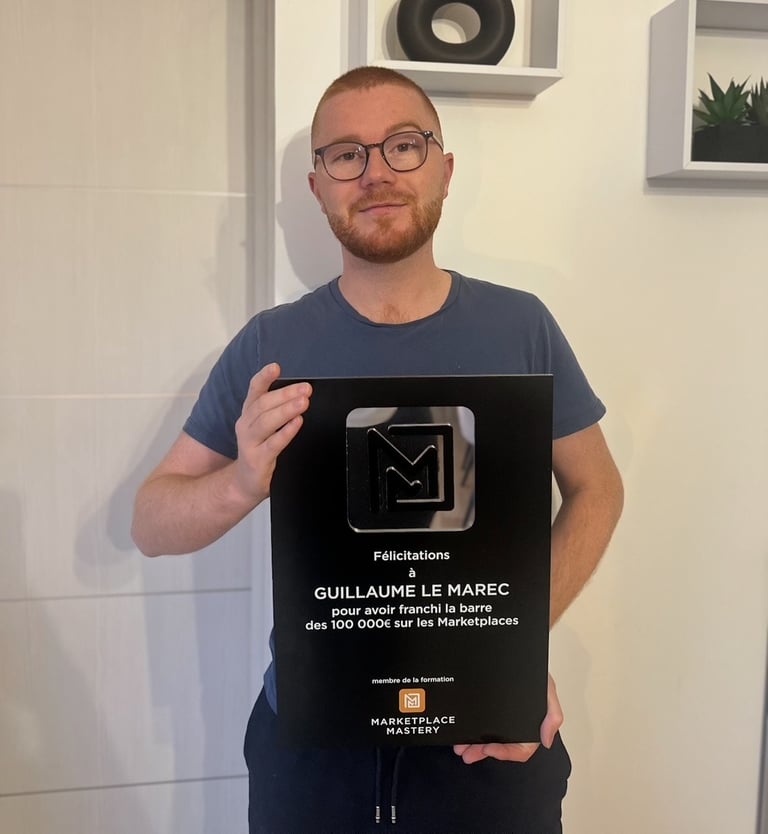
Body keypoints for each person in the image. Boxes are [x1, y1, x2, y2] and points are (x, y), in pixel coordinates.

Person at [132, 66, 624, 833]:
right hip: (313, 745)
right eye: (346, 155)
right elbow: (151, 523)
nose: (376, 173)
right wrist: (241, 481)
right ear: (317, 186)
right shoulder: (270, 345)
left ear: (445, 170)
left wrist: (513, 648)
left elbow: (598, 489)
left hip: (485, 733)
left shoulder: (521, 327)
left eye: (403, 145)